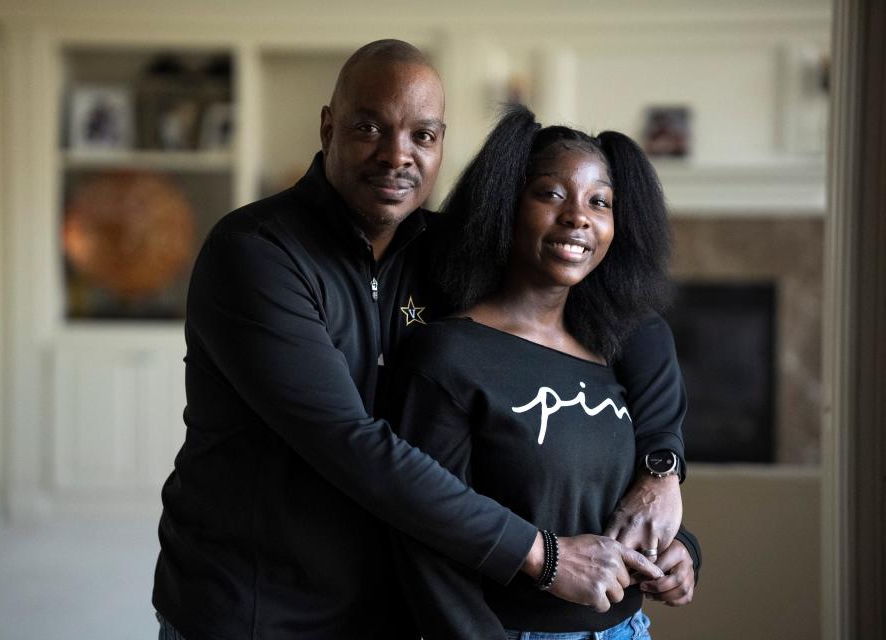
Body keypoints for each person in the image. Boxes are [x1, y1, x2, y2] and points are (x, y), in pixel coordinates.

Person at [152, 40, 688, 640]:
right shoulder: (257, 253)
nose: (396, 155)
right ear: (328, 127)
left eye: (423, 136)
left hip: (389, 605)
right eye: (368, 128)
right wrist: (543, 555)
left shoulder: (445, 253)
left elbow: (632, 320)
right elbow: (349, 442)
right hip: (257, 605)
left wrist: (660, 469)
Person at [382, 105, 699, 640]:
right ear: (505, 204)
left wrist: (680, 549)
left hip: (627, 630)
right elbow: (422, 541)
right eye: (552, 194)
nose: (579, 216)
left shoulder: (606, 355)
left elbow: (593, 498)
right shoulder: (448, 356)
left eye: (599, 202)